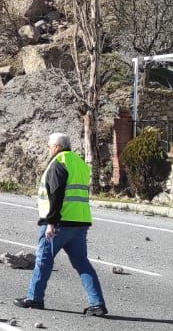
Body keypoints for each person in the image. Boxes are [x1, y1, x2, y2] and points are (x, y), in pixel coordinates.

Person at [16, 131, 107, 316]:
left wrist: (51, 222)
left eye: (50, 146)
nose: (49, 149)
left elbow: (55, 194)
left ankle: (34, 298)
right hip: (79, 222)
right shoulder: (79, 163)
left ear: (56, 147)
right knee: (82, 263)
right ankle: (97, 304)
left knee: (43, 260)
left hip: (60, 223)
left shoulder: (59, 162)